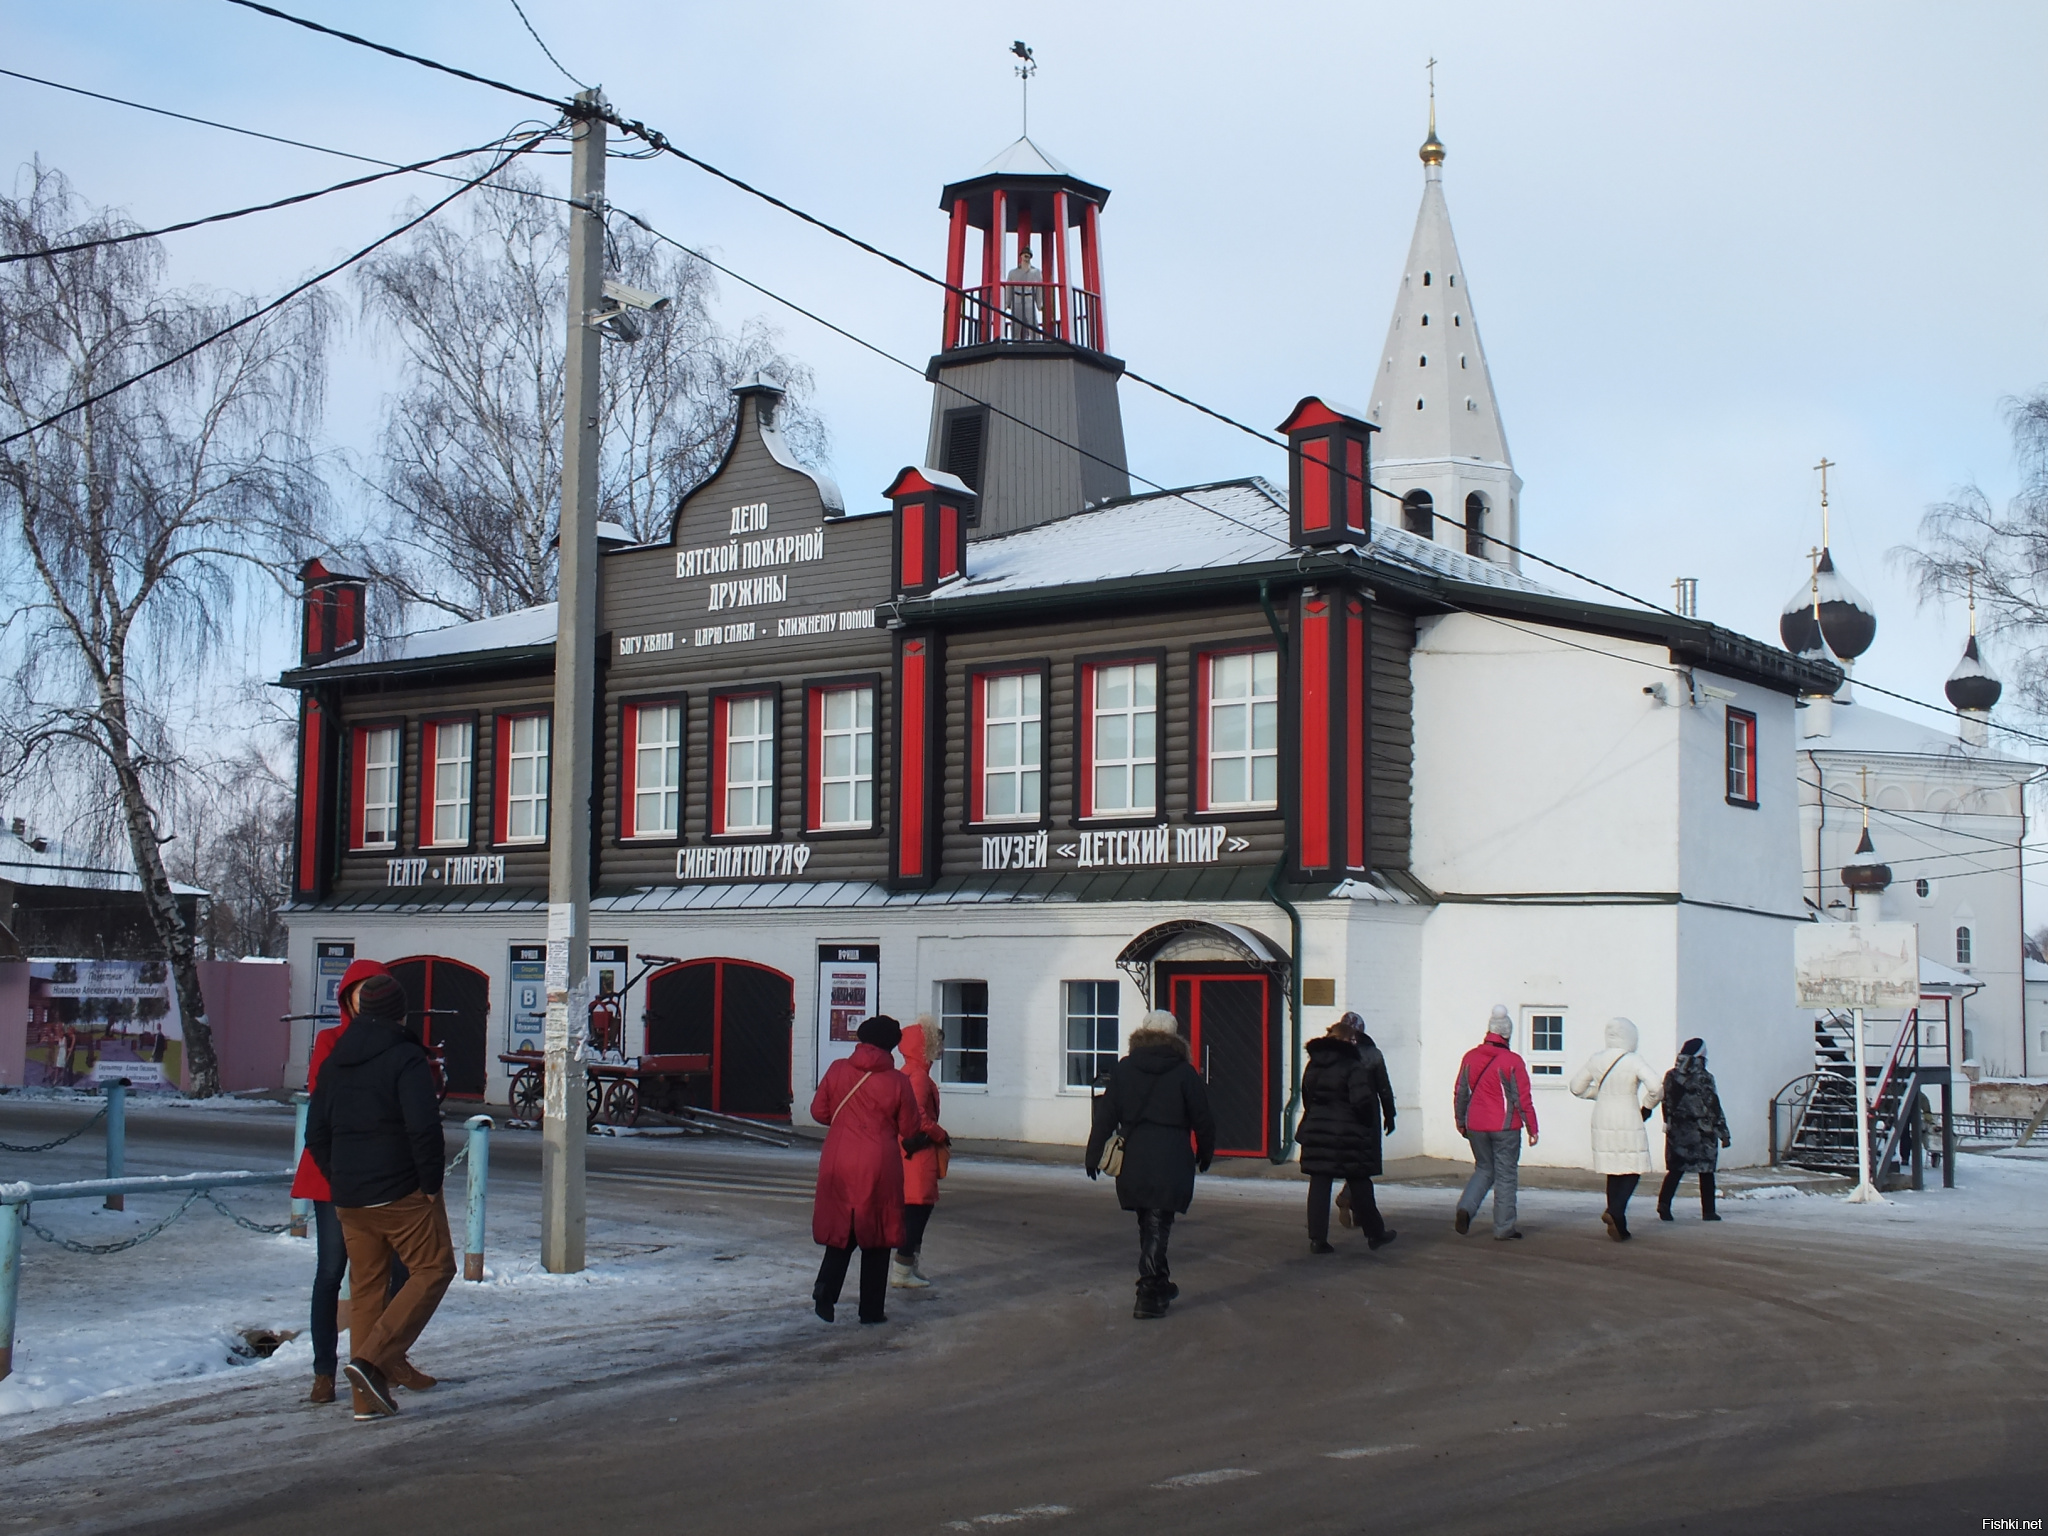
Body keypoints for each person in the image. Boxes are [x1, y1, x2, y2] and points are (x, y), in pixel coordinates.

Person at [304, 973, 457, 1420]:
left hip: (349, 1199)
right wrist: (429, 1183)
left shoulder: (336, 1062)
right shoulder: (406, 1057)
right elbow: (423, 1127)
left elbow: (315, 1134)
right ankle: (372, 1361)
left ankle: (365, 1402)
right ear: (400, 1013)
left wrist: (340, 1178)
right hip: (401, 1191)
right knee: (433, 1268)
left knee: (366, 1289)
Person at [289, 959, 413, 1405]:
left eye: (374, 989)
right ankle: (324, 1372)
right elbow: (327, 1106)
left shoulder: (398, 1042)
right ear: (347, 996)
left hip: (382, 1176)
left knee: (400, 1270)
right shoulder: (330, 1041)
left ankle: (384, 1356)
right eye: (359, 989)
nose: (366, 997)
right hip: (332, 1176)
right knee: (330, 1272)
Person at [1085, 1011, 1216, 1320]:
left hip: (1135, 1155)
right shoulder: (1185, 1072)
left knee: (1150, 1221)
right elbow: (1203, 1117)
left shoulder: (1125, 1069)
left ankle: (1159, 1283)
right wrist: (1206, 1151)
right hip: (1171, 1155)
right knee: (1158, 1221)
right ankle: (1147, 1292)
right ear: (1174, 1038)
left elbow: (1106, 1115)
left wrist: (1093, 1154)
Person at [810, 1015, 924, 1324]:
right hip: (879, 1162)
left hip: (839, 1156)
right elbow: (910, 1127)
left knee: (842, 1229)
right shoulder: (898, 1081)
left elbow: (819, 1112)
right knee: (878, 1234)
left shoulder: (837, 1070)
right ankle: (871, 1310)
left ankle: (825, 1288)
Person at [1297, 1013, 1397, 1254]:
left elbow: (1307, 1096)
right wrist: (1365, 1123)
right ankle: (1375, 1234)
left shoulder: (1314, 1064)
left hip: (1318, 1131)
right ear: (1347, 1041)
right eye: (1353, 1040)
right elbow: (1362, 1101)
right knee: (1360, 1183)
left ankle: (1317, 1239)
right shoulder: (1353, 1066)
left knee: (1319, 1184)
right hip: (1348, 1133)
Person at [1569, 1016, 1664, 1241]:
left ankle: (1619, 1225)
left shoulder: (1596, 1059)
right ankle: (1615, 1211)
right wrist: (1647, 1107)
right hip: (1628, 1114)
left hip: (1602, 1115)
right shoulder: (1634, 1060)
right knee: (1633, 1168)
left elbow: (1576, 1087)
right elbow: (1657, 1087)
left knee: (1613, 1169)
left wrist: (1599, 1095)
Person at [1453, 1006, 1539, 1240]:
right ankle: (1503, 1227)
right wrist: (1532, 1128)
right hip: (1505, 1126)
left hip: (1475, 1125)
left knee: (1483, 1169)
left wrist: (1461, 1121)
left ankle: (1465, 1208)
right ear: (1507, 1034)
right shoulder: (1512, 1061)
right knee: (1506, 1175)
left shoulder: (1470, 1057)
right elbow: (1522, 1099)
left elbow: (1461, 1092)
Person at [891, 1014, 950, 1290]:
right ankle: (904, 1268)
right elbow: (918, 1115)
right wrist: (940, 1134)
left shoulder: (910, 1073)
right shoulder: (918, 1077)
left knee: (915, 1210)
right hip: (918, 1155)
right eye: (937, 1043)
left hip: (910, 1154)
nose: (941, 1048)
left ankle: (908, 1266)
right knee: (917, 1211)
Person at [1657, 1037, 1730, 1222]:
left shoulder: (1670, 1075)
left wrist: (1668, 1122)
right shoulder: (1705, 1077)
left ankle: (1664, 1204)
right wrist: (1723, 1133)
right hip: (1702, 1131)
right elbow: (1713, 1106)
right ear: (1701, 1055)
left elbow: (1666, 1102)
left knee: (1675, 1170)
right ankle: (1709, 1211)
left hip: (1678, 1130)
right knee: (1706, 1173)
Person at [1005, 245, 1043, 340]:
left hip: (1029, 298)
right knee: (1015, 323)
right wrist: (1007, 302)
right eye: (1025, 255)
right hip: (1016, 298)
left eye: (1029, 255)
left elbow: (1039, 289)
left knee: (1033, 322)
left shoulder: (1037, 272)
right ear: (1021, 256)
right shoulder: (1012, 273)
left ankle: (1036, 342)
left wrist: (1039, 304)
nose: (1027, 257)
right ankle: (1015, 341)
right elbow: (1008, 288)